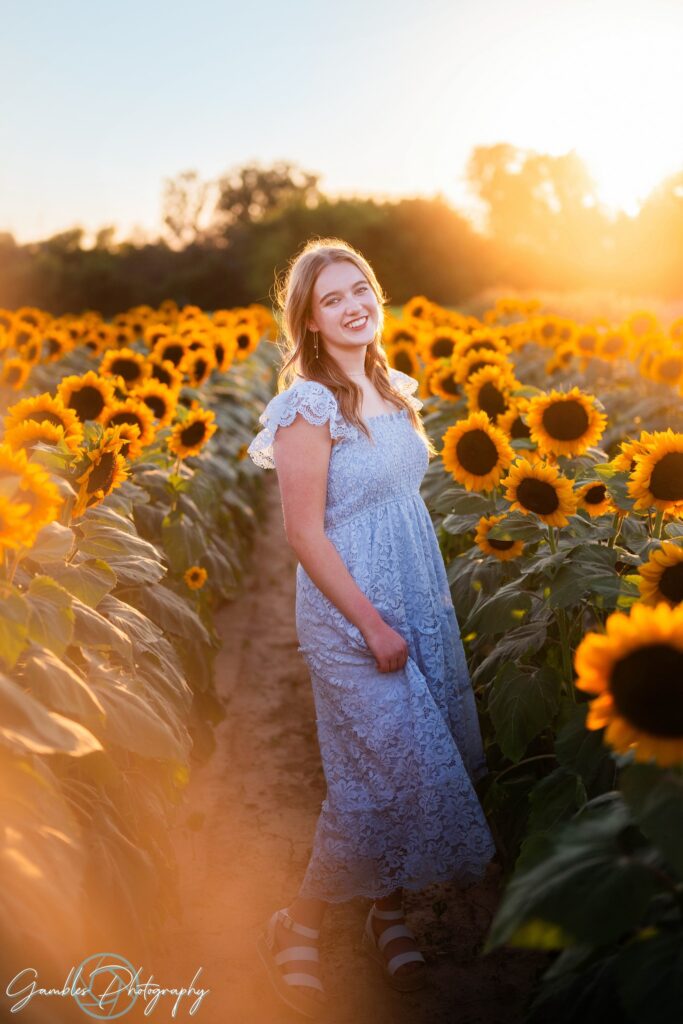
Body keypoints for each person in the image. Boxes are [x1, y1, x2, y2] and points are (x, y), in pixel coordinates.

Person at [248, 238, 496, 1019]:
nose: (353, 304)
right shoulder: (307, 405)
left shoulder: (392, 388)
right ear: (310, 322)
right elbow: (303, 534)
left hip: (413, 594)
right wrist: (369, 624)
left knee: (377, 764)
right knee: (380, 771)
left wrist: (411, 612)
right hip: (349, 611)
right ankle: (298, 923)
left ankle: (382, 911)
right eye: (332, 298)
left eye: (361, 289)